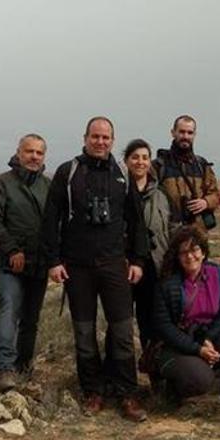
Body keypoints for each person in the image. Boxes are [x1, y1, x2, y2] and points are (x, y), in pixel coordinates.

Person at [41, 116, 150, 422]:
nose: (100, 142)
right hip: (78, 267)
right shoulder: (68, 172)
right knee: (84, 333)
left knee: (123, 333)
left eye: (106, 137)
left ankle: (127, 394)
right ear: (85, 137)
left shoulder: (123, 175)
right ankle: (94, 391)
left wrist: (139, 261)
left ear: (113, 141)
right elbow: (51, 219)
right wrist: (53, 260)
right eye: (95, 136)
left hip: (115, 266)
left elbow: (137, 222)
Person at [152, 226, 220, 411]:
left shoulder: (218, 276)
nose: (190, 256)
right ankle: (172, 391)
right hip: (175, 347)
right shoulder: (168, 285)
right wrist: (198, 349)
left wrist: (208, 339)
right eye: (183, 252)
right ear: (177, 257)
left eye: (194, 250)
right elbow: (165, 328)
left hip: (204, 338)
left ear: (203, 252)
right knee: (201, 379)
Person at [0, 134, 51, 391]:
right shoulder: (1, 184)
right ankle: (5, 368)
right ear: (18, 153)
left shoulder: (48, 186)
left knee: (31, 318)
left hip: (39, 263)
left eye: (39, 153)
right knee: (9, 308)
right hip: (10, 263)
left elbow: (54, 224)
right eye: (29, 151)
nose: (34, 157)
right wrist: (11, 249)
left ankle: (24, 365)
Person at [122, 139, 178, 351]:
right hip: (124, 267)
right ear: (126, 161)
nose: (140, 162)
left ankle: (153, 367)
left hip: (155, 267)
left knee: (152, 323)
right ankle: (117, 372)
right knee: (121, 323)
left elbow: (174, 230)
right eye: (135, 157)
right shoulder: (117, 192)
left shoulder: (162, 195)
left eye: (145, 157)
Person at [154, 115, 220, 231]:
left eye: (190, 133)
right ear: (173, 133)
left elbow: (215, 194)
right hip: (169, 233)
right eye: (182, 132)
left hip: (197, 233)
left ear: (194, 135)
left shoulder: (202, 165)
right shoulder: (159, 165)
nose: (186, 136)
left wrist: (206, 202)